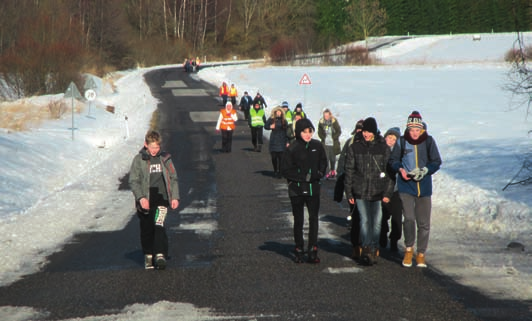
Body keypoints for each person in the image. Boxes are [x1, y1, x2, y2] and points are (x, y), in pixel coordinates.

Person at [389, 111, 442, 268]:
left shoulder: (429, 141)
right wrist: (401, 170)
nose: (414, 133)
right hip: (406, 186)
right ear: (408, 129)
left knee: (424, 223)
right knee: (409, 218)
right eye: (412, 130)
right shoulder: (402, 141)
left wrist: (426, 170)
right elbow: (393, 160)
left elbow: (436, 161)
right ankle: (409, 249)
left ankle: (421, 253)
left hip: (424, 188)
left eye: (417, 130)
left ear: (422, 129)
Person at [344, 117, 394, 266]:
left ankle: (374, 247)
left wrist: (387, 193)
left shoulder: (383, 148)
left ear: (374, 132)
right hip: (360, 191)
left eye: (369, 131)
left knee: (377, 222)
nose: (366, 134)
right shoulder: (355, 147)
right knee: (364, 220)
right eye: (365, 131)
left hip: (378, 192)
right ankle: (366, 249)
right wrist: (349, 193)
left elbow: (390, 173)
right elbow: (349, 171)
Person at [129, 130, 180, 270]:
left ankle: (160, 254)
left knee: (159, 224)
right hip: (146, 198)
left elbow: (173, 177)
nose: (154, 150)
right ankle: (148, 254)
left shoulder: (165, 158)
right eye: (152, 147)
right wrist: (141, 197)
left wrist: (174, 197)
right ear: (146, 145)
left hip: (161, 198)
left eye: (157, 147)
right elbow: (133, 181)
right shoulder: (139, 160)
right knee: (147, 229)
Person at [281, 118, 328, 263]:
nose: (308, 134)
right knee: (299, 220)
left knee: (313, 219)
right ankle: (299, 248)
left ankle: (313, 249)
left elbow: (323, 162)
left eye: (310, 131)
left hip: (313, 188)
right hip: (297, 189)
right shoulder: (292, 148)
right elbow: (285, 170)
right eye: (304, 132)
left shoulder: (317, 145)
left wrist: (319, 173)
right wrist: (303, 176)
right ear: (298, 133)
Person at [335, 118, 364, 260]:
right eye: (358, 128)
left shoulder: (371, 145)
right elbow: (342, 160)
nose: (360, 131)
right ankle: (356, 245)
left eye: (362, 128)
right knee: (355, 214)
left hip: (367, 187)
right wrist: (341, 174)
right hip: (352, 184)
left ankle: (367, 245)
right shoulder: (350, 142)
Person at [380, 127, 403, 252]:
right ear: (385, 137)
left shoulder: (400, 154)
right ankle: (382, 234)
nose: (391, 141)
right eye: (389, 137)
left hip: (396, 190)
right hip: (382, 189)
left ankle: (394, 240)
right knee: (383, 216)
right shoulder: (379, 151)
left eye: (394, 139)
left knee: (397, 218)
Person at [264, 106, 290, 178]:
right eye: (277, 112)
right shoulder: (272, 119)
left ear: (282, 113)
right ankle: (275, 170)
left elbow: (287, 132)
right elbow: (265, 126)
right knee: (274, 157)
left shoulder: (284, 121)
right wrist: (270, 127)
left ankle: (280, 172)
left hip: (282, 140)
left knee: (281, 158)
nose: (278, 113)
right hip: (274, 140)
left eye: (280, 112)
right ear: (275, 112)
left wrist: (287, 141)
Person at [318, 108, 342, 179]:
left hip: (333, 143)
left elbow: (338, 131)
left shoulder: (334, 121)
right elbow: (319, 132)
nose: (326, 117)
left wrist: (334, 137)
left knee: (332, 158)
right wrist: (323, 137)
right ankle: (327, 172)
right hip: (325, 143)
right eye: (325, 116)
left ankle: (332, 170)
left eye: (327, 116)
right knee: (326, 158)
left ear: (330, 115)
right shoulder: (321, 122)